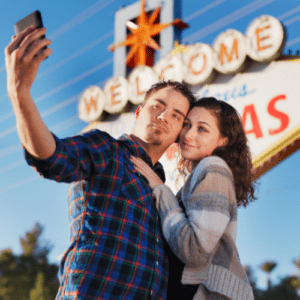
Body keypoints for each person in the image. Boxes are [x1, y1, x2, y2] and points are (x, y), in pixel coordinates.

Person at [4, 25, 197, 299]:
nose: (164, 116)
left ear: (179, 133)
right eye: (157, 106)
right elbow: (52, 156)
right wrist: (19, 93)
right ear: (139, 112)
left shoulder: (165, 194)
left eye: (177, 115)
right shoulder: (107, 149)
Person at [131, 98, 256, 300]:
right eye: (187, 125)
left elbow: (195, 252)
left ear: (223, 140)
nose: (188, 135)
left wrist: (160, 189)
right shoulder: (200, 175)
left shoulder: (213, 168)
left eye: (202, 129)